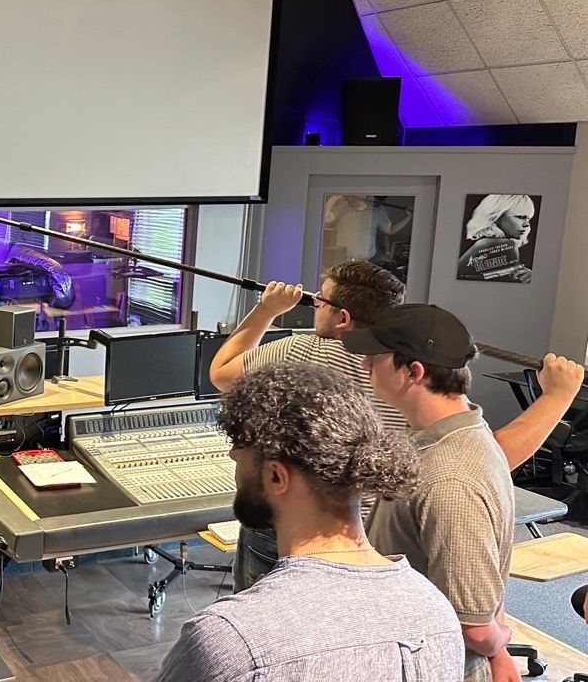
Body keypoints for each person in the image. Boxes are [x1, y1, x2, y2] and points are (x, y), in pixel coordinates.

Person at [210, 261, 583, 590]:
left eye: (320, 300)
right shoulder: (410, 377)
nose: (368, 369)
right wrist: (557, 396)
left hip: (297, 523)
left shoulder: (300, 351)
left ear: (343, 318)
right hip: (370, 537)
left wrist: (266, 310)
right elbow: (488, 453)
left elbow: (223, 373)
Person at [156, 361, 462, 682]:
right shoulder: (435, 612)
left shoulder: (230, 640)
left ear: (276, 476)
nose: (236, 470)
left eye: (240, 461)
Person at [343, 304, 519, 682]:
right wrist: (498, 651)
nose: (364, 367)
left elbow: (470, 626)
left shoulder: (450, 479)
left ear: (413, 371)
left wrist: (499, 641)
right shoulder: (453, 434)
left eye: (375, 359)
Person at [457, 194, 536, 283]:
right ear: (497, 217)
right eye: (520, 217)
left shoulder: (485, 243)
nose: (527, 224)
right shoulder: (505, 245)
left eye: (528, 218)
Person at [324, 195, 412, 263]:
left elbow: (390, 230)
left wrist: (407, 217)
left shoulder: (377, 210)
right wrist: (333, 198)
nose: (352, 198)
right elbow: (325, 219)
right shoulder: (342, 206)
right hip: (340, 260)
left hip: (364, 262)